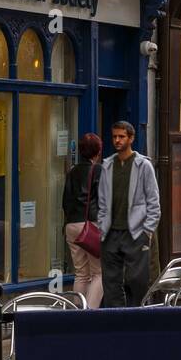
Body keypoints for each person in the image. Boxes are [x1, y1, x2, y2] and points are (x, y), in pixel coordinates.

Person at [96, 121, 161, 307]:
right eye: (115, 136)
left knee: (137, 281)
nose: (117, 140)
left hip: (135, 233)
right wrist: (102, 228)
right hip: (110, 234)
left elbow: (154, 203)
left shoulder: (143, 166)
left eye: (122, 137)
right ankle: (116, 322)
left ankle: (135, 317)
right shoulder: (107, 165)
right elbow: (102, 201)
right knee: (111, 283)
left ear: (131, 138)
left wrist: (146, 231)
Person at [61, 132, 104, 308]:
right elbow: (103, 200)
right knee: (99, 273)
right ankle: (90, 313)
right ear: (98, 151)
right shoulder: (98, 170)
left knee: (81, 273)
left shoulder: (72, 171)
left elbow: (65, 200)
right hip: (90, 225)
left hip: (71, 224)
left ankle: (77, 309)